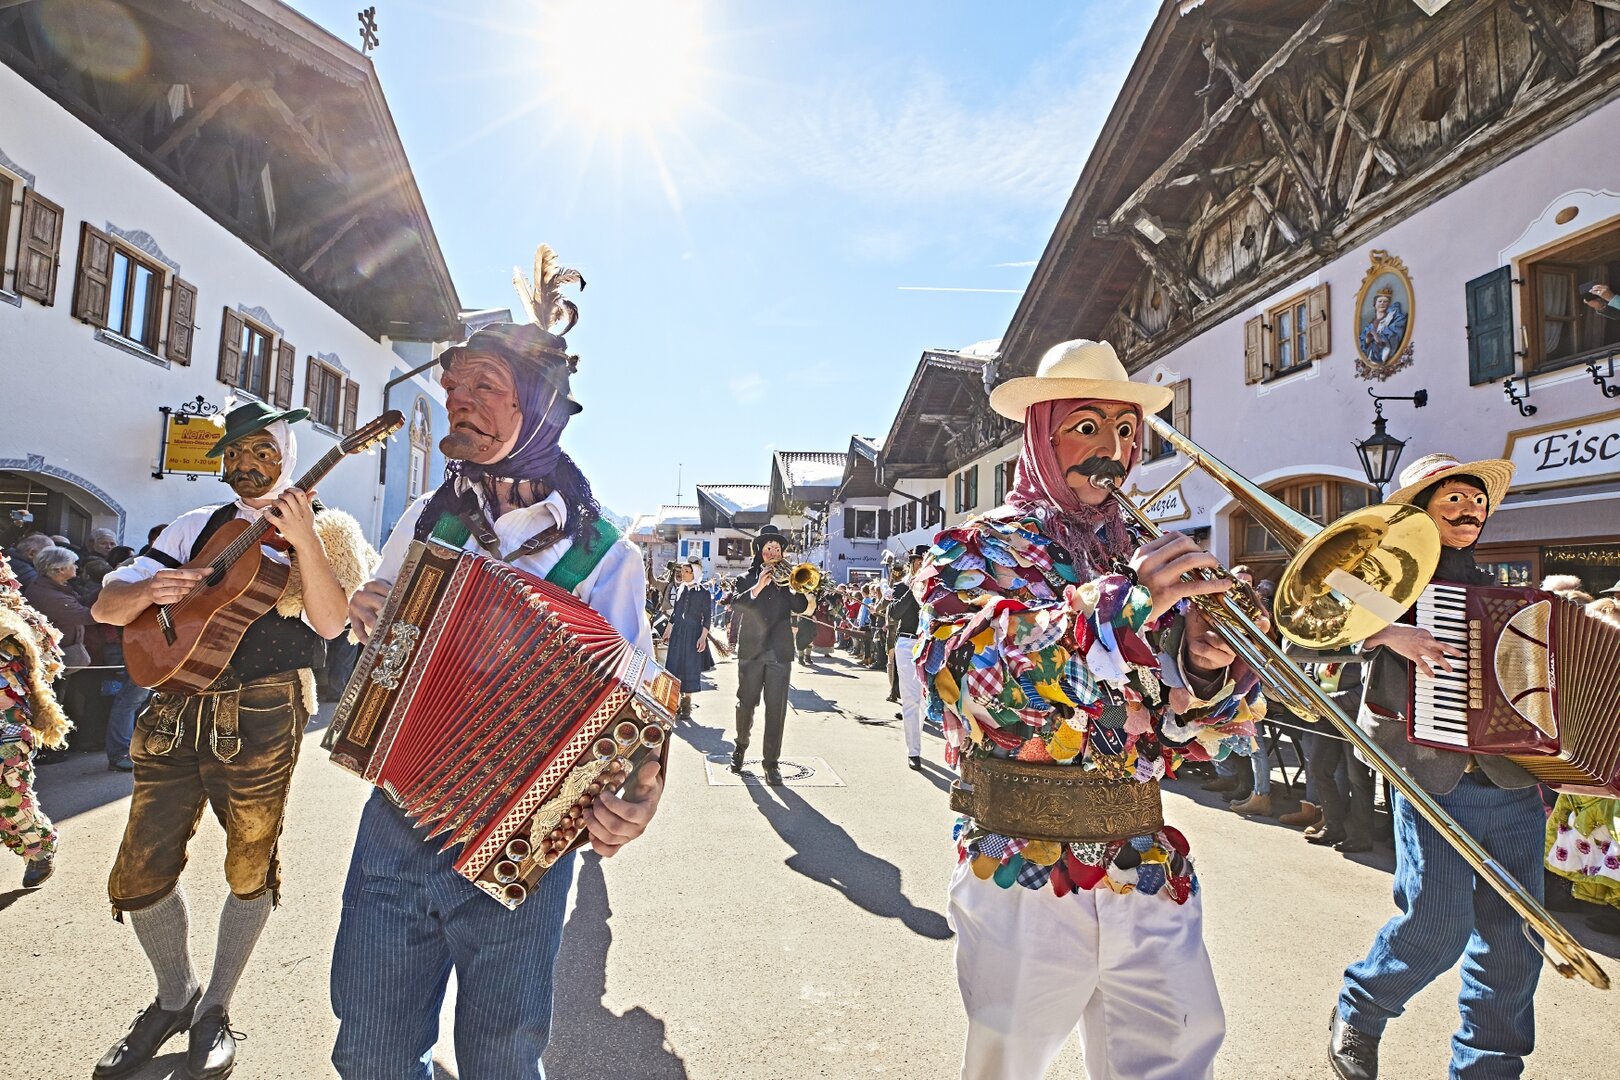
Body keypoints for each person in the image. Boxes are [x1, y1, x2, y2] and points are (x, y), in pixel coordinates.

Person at [331, 251, 663, 1080]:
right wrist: (367, 616)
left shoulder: (602, 554)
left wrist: (645, 787)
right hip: (401, 816)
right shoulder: (429, 513)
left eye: (483, 386)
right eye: (453, 388)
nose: (457, 403)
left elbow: (641, 702)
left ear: (540, 408)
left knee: (502, 1059)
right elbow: (368, 624)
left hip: (526, 835)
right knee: (368, 1053)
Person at [919, 340, 1258, 1079]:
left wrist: (1206, 672)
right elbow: (966, 676)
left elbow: (1195, 741)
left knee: (1179, 1050)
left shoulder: (1151, 551)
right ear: (1040, 433)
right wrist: (1118, 608)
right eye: (1086, 428)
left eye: (1127, 431)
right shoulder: (974, 547)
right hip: (1020, 865)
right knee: (1007, 1063)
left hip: (1143, 862)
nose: (1113, 450)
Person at [90, 401, 371, 1080]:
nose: (246, 468)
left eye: (262, 454)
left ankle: (215, 1006)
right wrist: (153, 587)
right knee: (139, 868)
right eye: (235, 456)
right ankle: (172, 996)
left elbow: (334, 626)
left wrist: (304, 540)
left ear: (287, 457)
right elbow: (107, 605)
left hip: (264, 711)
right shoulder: (196, 525)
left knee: (249, 861)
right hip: (174, 705)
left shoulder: (328, 528)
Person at [1317, 452, 1544, 1080]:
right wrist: (1389, 634)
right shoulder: (1383, 577)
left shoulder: (1497, 587)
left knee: (1516, 943)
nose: (1470, 509)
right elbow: (1305, 627)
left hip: (1509, 779)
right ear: (1421, 508)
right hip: (1429, 772)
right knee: (1438, 925)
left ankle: (1488, 1068)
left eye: (1477, 501)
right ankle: (1360, 1009)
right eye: (1454, 499)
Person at [0, 553, 69, 889]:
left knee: (9, 792)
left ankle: (38, 847)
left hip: (7, 722)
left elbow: (50, 660)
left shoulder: (17, 615)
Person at [730, 525, 810, 784]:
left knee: (776, 710)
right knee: (746, 704)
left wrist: (799, 586)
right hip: (751, 652)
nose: (773, 552)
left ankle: (771, 763)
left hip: (780, 653)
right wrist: (758, 586)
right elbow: (736, 604)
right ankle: (741, 745)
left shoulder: (788, 581)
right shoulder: (746, 578)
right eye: (768, 549)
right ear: (760, 552)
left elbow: (800, 606)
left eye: (777, 548)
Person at [890, 546, 928, 770]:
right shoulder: (902, 586)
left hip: (930, 644)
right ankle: (914, 752)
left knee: (923, 701)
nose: (921, 565)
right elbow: (894, 613)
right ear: (912, 564)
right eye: (918, 561)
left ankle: (915, 741)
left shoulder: (936, 588)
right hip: (907, 643)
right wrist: (911, 588)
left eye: (925, 561)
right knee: (911, 699)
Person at [662, 556, 714, 716]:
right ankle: (674, 702)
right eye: (682, 571)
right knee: (674, 665)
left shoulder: (704, 593)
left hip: (693, 634)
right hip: (678, 632)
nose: (682, 574)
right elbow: (676, 613)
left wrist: (703, 637)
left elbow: (707, 616)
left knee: (690, 666)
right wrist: (668, 629)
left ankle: (686, 704)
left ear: (695, 573)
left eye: (686, 571)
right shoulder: (681, 589)